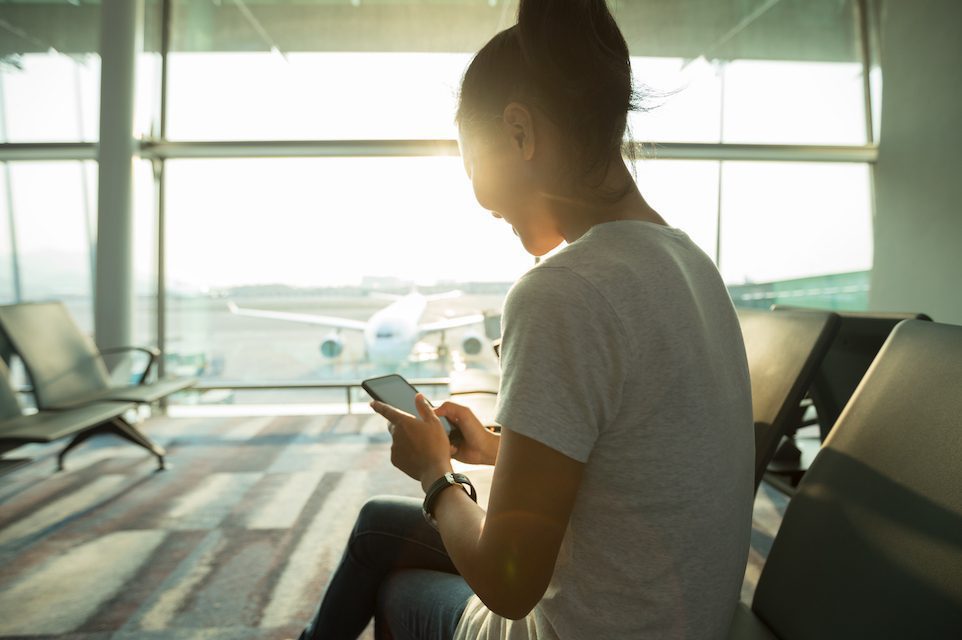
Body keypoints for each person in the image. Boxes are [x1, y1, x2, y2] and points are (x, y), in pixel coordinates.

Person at [298, 0, 754, 638]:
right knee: (379, 523)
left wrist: (436, 474)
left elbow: (509, 586)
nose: (482, 203)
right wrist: (494, 449)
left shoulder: (564, 291)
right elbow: (644, 456)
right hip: (680, 618)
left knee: (393, 578)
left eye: (471, 165)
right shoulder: (691, 264)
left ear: (520, 133)